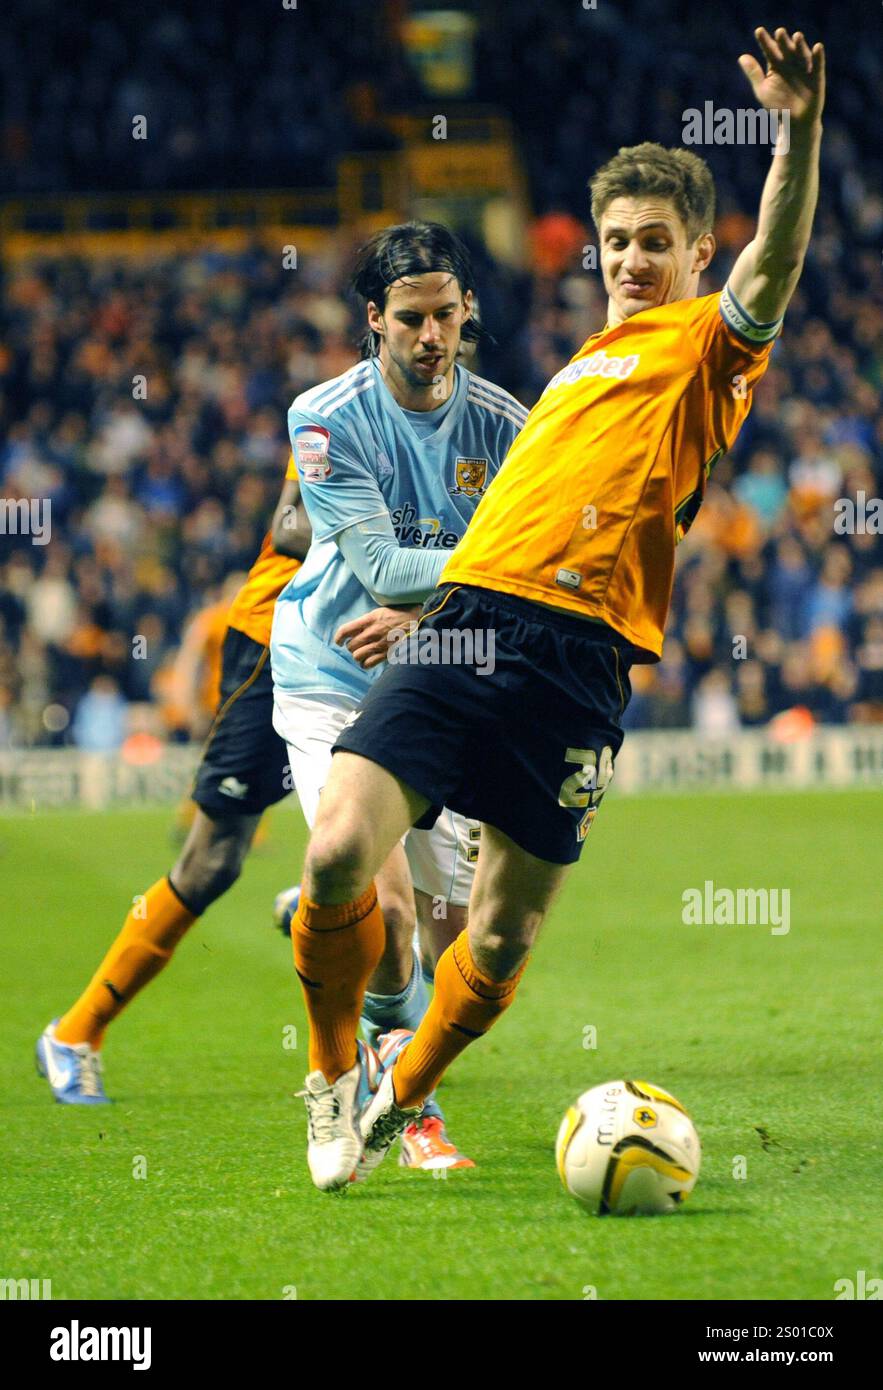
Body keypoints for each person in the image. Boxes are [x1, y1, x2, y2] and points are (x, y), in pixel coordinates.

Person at [286, 27, 826, 1191]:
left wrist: (797, 128)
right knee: (336, 854)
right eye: (617, 242)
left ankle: (401, 1093)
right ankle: (335, 1079)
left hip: (580, 665)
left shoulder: (706, 349)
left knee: (496, 937)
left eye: (655, 244)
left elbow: (776, 263)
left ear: (697, 252)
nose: (631, 260)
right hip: (468, 624)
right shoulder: (574, 372)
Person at [270, 220, 528, 1170]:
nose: (431, 336)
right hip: (333, 672)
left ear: (467, 316)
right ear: (373, 320)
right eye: (410, 317)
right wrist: (508, 562)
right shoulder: (323, 415)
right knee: (377, 912)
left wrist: (441, 624)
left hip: (442, 667)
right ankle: (358, 1096)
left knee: (451, 948)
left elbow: (528, 598)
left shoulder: (506, 424)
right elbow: (376, 562)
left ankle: (323, 909)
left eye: (447, 316)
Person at [36, 463, 310, 1102]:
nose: (439, 354)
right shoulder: (339, 409)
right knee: (212, 861)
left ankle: (383, 1064)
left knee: (419, 842)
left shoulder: (471, 425)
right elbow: (289, 524)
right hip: (279, 641)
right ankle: (75, 1032)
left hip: (376, 648)